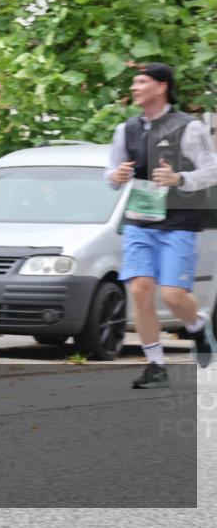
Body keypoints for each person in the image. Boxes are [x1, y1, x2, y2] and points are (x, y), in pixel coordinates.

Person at [105, 62, 217, 389]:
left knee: (172, 295)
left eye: (142, 81)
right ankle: (155, 365)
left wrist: (179, 178)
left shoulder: (188, 127)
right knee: (139, 289)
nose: (134, 87)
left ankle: (197, 325)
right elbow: (110, 176)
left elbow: (212, 171)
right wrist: (116, 176)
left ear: (162, 86)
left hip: (179, 222)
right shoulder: (126, 129)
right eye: (134, 82)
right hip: (140, 220)